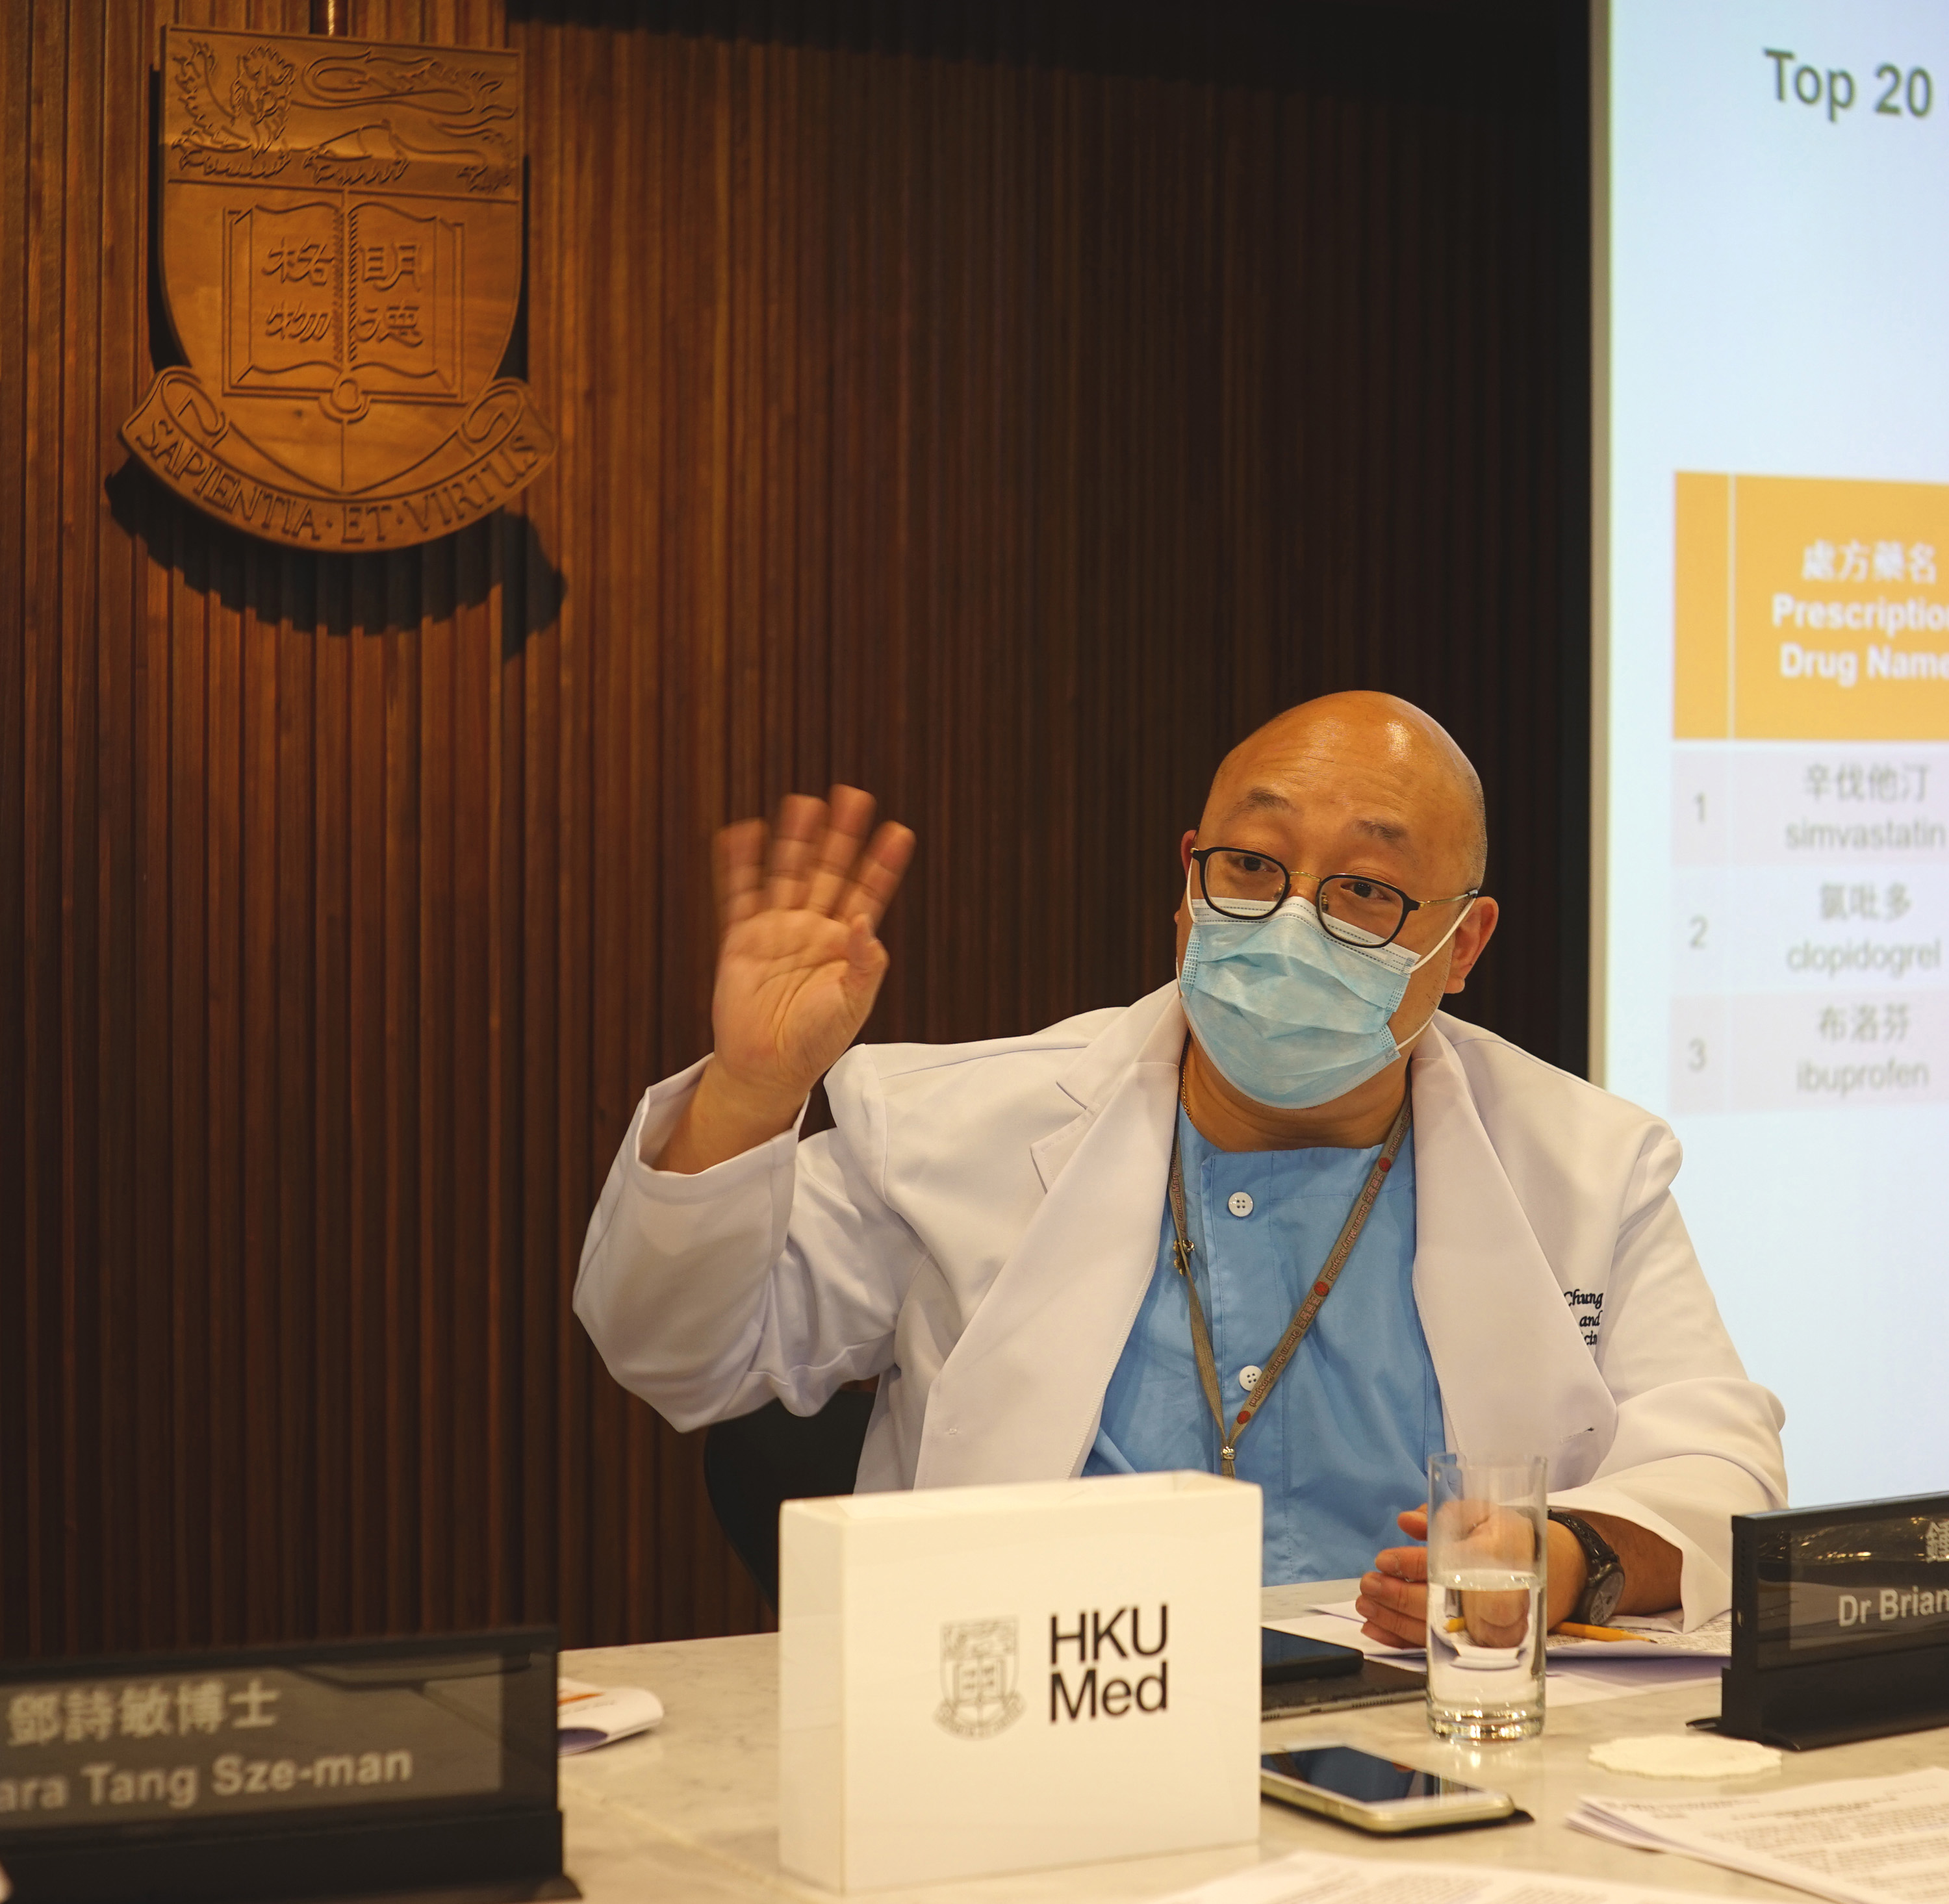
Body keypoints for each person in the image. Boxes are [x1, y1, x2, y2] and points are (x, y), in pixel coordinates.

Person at [575, 692, 1786, 1641]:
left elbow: (1722, 1467)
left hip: (1440, 1753)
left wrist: (1571, 1555)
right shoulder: (956, 1128)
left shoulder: (1585, 1162)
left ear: (1462, 943)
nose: (1294, 920)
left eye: (1366, 890)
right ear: (1189, 881)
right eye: (1254, 869)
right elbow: (676, 1354)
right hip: (1040, 1750)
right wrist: (750, 1092)